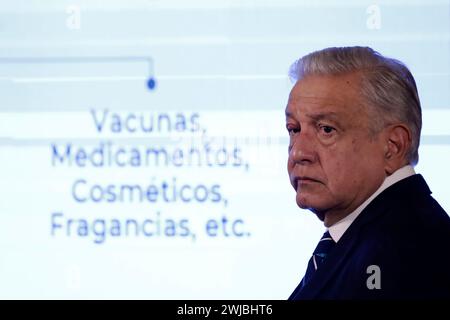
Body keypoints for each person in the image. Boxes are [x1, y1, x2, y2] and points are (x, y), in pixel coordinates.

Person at [286, 46, 450, 299]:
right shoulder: (378, 236)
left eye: (326, 129)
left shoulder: (405, 252)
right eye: (294, 129)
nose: (298, 152)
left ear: (393, 146)